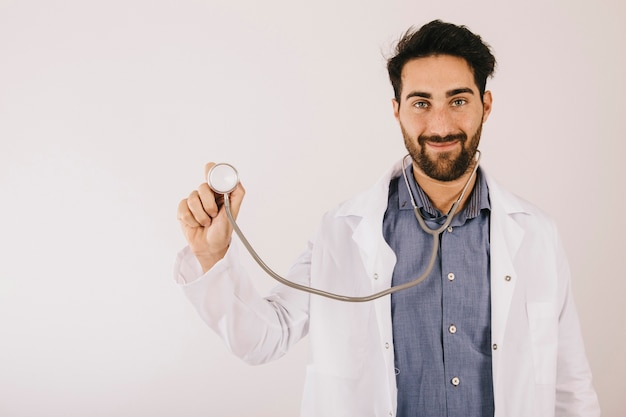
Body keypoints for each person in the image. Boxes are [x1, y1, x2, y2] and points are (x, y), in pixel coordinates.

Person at [174, 20, 600, 417]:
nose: (440, 125)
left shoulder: (537, 234)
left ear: (485, 105)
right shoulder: (343, 231)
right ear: (396, 109)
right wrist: (211, 257)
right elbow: (264, 338)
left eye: (458, 100)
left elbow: (569, 387)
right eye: (421, 103)